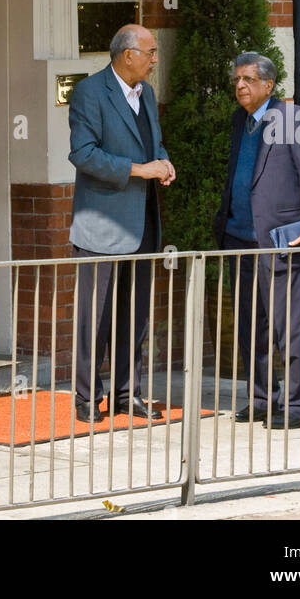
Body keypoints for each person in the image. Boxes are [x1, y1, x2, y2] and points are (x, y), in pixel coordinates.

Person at [214, 51, 300, 429]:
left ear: (268, 84)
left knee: (289, 325)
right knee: (251, 325)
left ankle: (298, 406)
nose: (240, 86)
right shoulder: (240, 121)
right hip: (240, 238)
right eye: (237, 79)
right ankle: (264, 398)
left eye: (248, 79)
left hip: (282, 240)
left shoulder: (292, 118)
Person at [68, 24, 175, 423]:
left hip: (144, 223)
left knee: (136, 315)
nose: (155, 59)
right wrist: (138, 169)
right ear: (127, 54)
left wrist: (162, 163)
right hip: (102, 225)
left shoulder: (146, 94)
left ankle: (127, 393)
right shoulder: (90, 92)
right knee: (94, 319)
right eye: (150, 52)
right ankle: (85, 397)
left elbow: (153, 142)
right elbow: (83, 154)